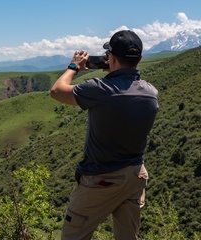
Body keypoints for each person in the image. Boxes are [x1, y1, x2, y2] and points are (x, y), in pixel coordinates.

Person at [50, 30, 159, 240]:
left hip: (100, 179)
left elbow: (56, 91)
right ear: (140, 59)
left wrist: (74, 66)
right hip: (136, 175)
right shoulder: (151, 93)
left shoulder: (100, 89)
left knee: (74, 236)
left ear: (111, 57)